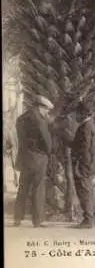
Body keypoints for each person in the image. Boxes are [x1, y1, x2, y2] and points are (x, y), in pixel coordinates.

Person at [14, 96, 54, 227]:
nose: (47, 113)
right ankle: (37, 220)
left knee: (23, 188)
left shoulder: (21, 119)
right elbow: (47, 141)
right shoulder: (39, 121)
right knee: (38, 189)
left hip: (24, 158)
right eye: (46, 110)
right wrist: (50, 152)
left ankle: (17, 218)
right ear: (40, 107)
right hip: (38, 158)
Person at [71, 101, 95, 228]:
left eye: (78, 113)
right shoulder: (90, 125)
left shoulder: (85, 127)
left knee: (84, 191)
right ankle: (93, 218)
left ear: (83, 113)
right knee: (89, 190)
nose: (76, 116)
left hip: (84, 164)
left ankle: (88, 219)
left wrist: (77, 162)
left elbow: (84, 148)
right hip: (90, 163)